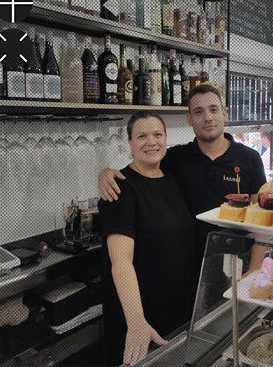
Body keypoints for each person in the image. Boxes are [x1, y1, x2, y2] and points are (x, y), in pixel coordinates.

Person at [98, 83, 267, 287]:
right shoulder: (176, 158)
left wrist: (256, 266)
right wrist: (105, 173)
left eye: (213, 109)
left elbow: (262, 219)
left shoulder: (250, 158)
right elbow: (142, 167)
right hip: (188, 269)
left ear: (224, 113)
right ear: (190, 119)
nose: (207, 117)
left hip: (238, 263)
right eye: (198, 112)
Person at [98, 111, 196, 366]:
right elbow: (120, 262)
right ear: (129, 143)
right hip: (141, 315)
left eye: (157, 134)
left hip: (177, 309)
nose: (151, 142)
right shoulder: (120, 189)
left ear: (166, 139)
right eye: (141, 136)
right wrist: (136, 322)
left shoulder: (172, 178)